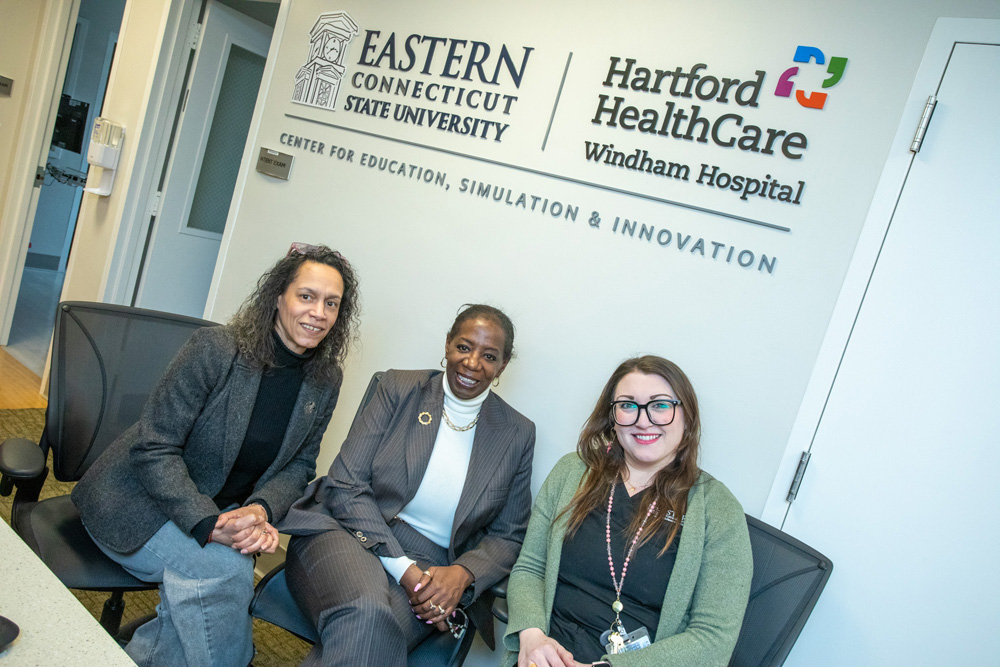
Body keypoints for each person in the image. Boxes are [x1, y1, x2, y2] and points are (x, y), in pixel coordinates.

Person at [72, 243, 360, 667]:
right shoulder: (217, 350)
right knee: (225, 573)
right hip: (135, 503)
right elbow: (154, 447)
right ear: (278, 296)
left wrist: (260, 510)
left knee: (205, 588)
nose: (319, 312)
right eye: (307, 296)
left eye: (331, 303)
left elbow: (300, 464)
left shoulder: (324, 379)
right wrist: (207, 523)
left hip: (225, 515)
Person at [279, 304, 535, 667]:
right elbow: (344, 484)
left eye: (489, 355)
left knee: (370, 637)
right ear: (447, 344)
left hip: (433, 570)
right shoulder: (399, 388)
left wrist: (462, 575)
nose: (472, 363)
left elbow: (508, 535)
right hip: (348, 532)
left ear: (502, 366)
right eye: (464, 347)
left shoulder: (517, 433)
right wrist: (404, 570)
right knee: (367, 614)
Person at [502, 356, 752, 667]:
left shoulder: (718, 509)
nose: (643, 420)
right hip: (545, 657)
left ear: (686, 415)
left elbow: (713, 638)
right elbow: (530, 568)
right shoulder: (572, 472)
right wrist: (531, 635)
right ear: (612, 416)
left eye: (660, 405)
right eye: (628, 405)